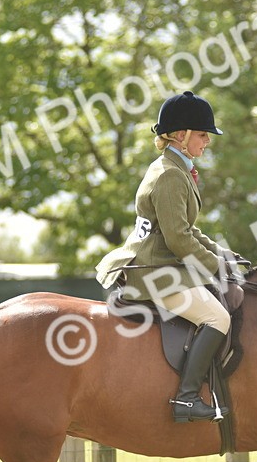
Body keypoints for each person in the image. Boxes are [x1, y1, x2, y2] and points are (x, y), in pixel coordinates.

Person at [96, 91, 242, 423]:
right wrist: (216, 268)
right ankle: (187, 399)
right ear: (180, 135)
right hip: (155, 271)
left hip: (160, 263)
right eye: (203, 134)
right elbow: (178, 240)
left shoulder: (174, 168)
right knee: (218, 318)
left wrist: (223, 254)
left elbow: (185, 230)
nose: (207, 141)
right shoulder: (170, 175)